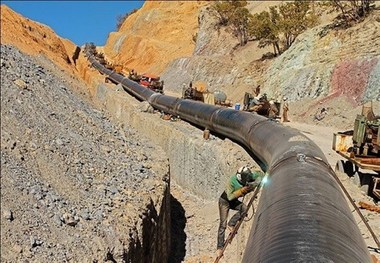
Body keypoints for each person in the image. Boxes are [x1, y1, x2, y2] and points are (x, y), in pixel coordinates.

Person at [217, 166, 263, 256]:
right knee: (223, 224)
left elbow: (260, 174)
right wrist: (242, 190)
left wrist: (259, 180)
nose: (247, 179)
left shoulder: (249, 175)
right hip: (225, 201)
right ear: (240, 177)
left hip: (233, 201)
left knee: (244, 209)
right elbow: (230, 197)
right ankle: (219, 247)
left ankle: (232, 224)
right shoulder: (232, 181)